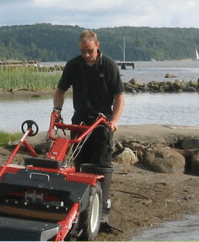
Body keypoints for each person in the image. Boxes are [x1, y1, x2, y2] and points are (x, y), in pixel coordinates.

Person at [53, 30, 125, 223]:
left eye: (90, 51)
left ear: (97, 46)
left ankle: (102, 213)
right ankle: (80, 207)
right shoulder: (74, 65)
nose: (86, 55)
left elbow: (119, 97)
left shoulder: (108, 66)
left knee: (101, 165)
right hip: (80, 120)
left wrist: (115, 120)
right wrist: (57, 110)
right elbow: (60, 90)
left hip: (102, 121)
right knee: (79, 165)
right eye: (83, 51)